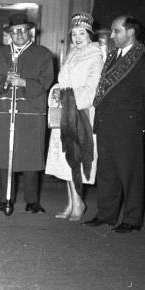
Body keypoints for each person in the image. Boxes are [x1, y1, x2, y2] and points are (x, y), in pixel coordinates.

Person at [84, 16, 145, 233]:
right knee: (107, 172)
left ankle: (132, 219)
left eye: (117, 31)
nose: (112, 35)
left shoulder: (144, 60)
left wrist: (135, 120)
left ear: (131, 33)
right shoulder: (112, 56)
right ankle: (106, 214)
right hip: (106, 123)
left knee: (130, 174)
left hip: (127, 127)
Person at [0, 13, 54, 214]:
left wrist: (24, 82)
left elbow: (46, 80)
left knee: (30, 155)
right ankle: (3, 197)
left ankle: (32, 200)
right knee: (2, 154)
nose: (19, 34)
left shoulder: (42, 54)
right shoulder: (0, 54)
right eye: (14, 31)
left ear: (29, 32)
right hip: (5, 109)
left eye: (23, 30)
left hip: (30, 110)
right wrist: (5, 81)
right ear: (9, 33)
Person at [45, 13, 104, 221]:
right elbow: (63, 82)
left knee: (76, 159)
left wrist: (68, 98)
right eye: (74, 34)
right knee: (66, 161)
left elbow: (93, 88)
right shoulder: (71, 54)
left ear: (89, 34)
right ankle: (72, 202)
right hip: (65, 112)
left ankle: (79, 203)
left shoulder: (95, 55)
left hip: (80, 114)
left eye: (82, 33)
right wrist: (55, 91)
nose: (77, 38)